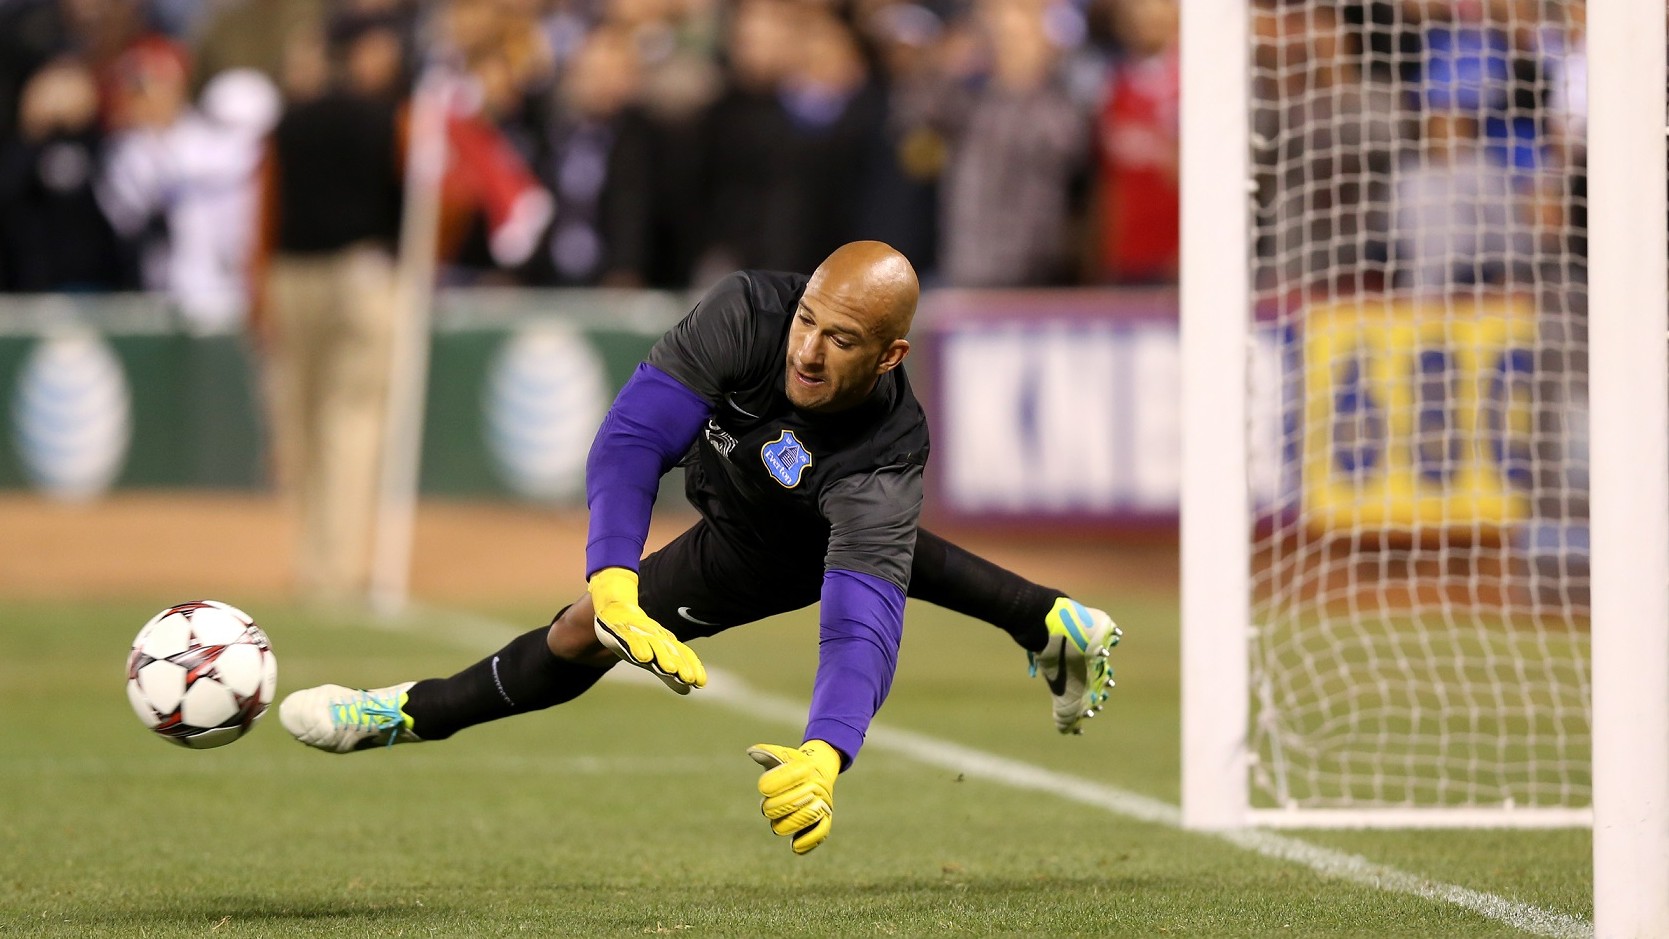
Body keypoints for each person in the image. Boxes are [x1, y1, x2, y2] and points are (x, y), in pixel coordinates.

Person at [279, 241, 1121, 855]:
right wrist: (611, 574)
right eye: (807, 321)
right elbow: (631, 440)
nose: (806, 349)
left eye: (841, 340)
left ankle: (400, 712)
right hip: (741, 487)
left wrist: (826, 752)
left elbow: (860, 621)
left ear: (892, 354)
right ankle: (1053, 622)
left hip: (762, 546)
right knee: (605, 606)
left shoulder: (886, 454)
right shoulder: (747, 311)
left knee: (579, 633)